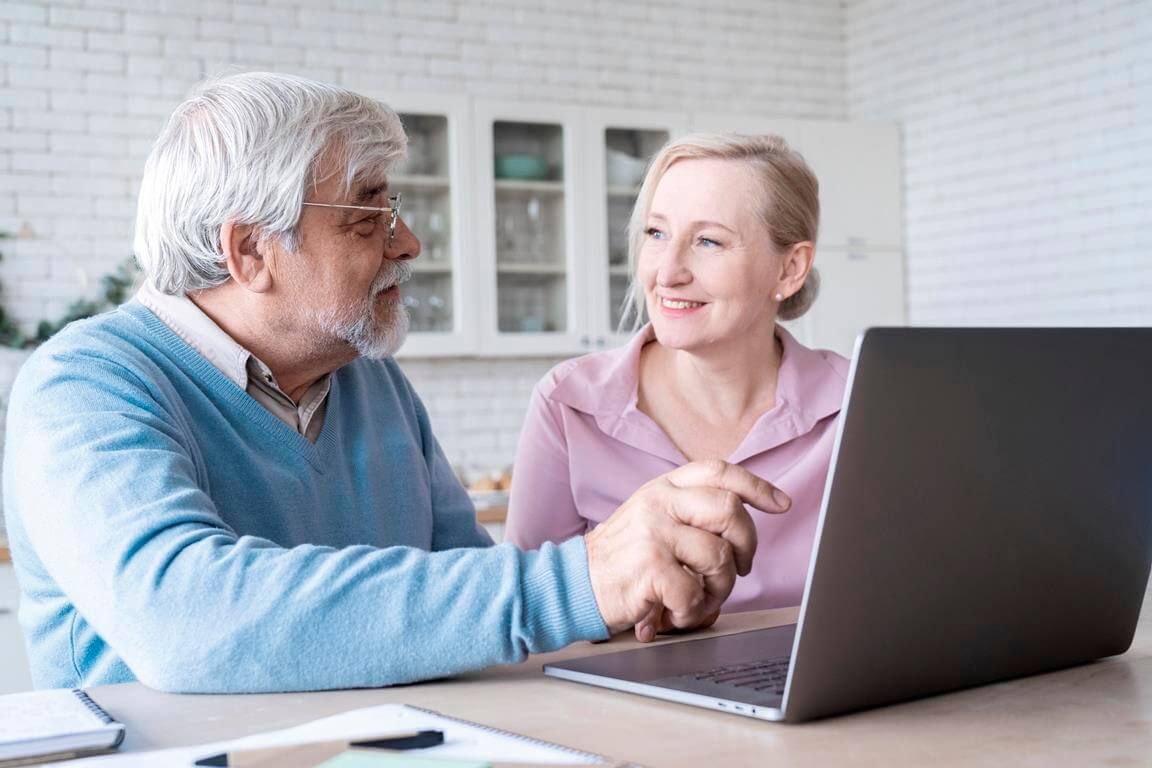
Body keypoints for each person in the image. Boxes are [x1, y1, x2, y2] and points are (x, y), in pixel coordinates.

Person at [1, 74, 793, 694]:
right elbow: (181, 616)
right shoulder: (86, 385)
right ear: (249, 252)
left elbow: (471, 605)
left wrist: (639, 597)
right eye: (366, 216)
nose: (407, 242)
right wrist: (581, 577)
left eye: (396, 208)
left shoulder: (371, 383)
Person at [506, 133, 848, 614]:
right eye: (656, 233)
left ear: (790, 269)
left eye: (708, 241)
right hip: (616, 691)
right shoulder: (569, 403)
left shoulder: (858, 406)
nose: (667, 272)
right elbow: (527, 609)